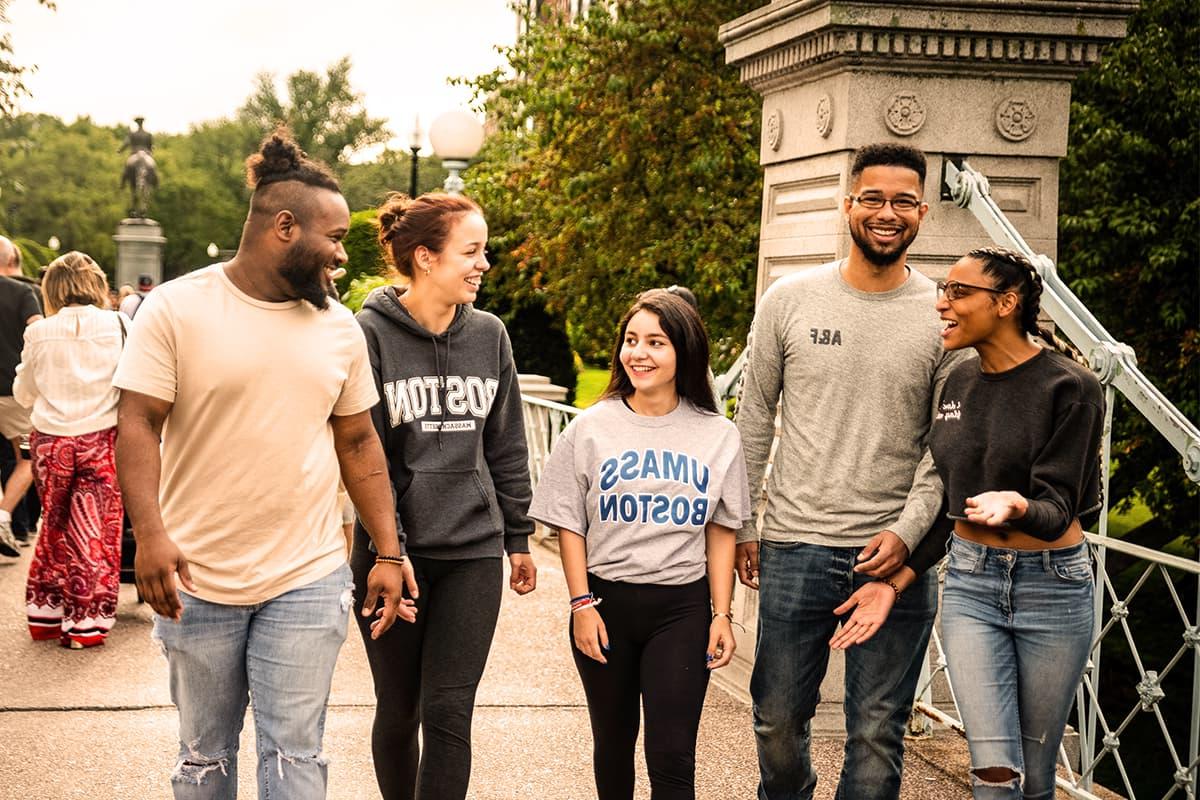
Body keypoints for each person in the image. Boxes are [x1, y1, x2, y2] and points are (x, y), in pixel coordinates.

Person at [114, 130, 415, 800]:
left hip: (306, 578)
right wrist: (151, 536)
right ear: (286, 226)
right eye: (334, 237)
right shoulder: (176, 308)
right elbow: (137, 421)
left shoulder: (340, 329)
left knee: (296, 759)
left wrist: (389, 552)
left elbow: (359, 443)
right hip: (195, 577)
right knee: (205, 759)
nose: (342, 253)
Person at [735, 142, 964, 800]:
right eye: (872, 198)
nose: (885, 212)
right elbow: (753, 416)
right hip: (794, 543)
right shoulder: (789, 300)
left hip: (890, 554)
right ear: (847, 206)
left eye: (901, 201)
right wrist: (745, 520)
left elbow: (941, 449)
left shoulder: (943, 317)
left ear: (921, 213)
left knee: (876, 732)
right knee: (776, 721)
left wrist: (906, 536)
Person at [858, 246, 1100, 800]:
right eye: (942, 290)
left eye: (958, 292)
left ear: (1007, 302)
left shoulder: (1072, 388)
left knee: (1036, 776)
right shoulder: (959, 384)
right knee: (994, 772)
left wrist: (1018, 506)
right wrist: (896, 582)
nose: (942, 302)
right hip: (972, 584)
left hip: (1054, 589)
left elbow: (1059, 508)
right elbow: (951, 504)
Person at [529, 289, 751, 799]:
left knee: (673, 755)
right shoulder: (589, 427)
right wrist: (581, 604)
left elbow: (721, 528)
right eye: (631, 340)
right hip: (605, 603)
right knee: (613, 747)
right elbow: (570, 524)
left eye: (656, 342)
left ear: (684, 352)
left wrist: (722, 614)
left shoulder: (718, 435)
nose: (639, 353)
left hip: (681, 607)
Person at [353, 191, 537, 800]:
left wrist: (517, 538)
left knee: (451, 713)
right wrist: (389, 548)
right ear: (426, 258)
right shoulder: (370, 334)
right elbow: (365, 453)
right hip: (388, 557)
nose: (484, 264)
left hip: (471, 555)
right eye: (472, 251)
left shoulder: (490, 335)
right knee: (400, 710)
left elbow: (507, 443)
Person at [13, 251, 128, 647]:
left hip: (51, 440)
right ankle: (85, 623)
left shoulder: (39, 332)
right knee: (94, 530)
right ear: (96, 284)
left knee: (55, 524)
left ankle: (46, 613)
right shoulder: (119, 324)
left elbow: (24, 392)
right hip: (101, 438)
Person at [0, 235, 43, 557]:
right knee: (27, 460)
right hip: (11, 391)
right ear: (11, 259)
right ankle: (4, 516)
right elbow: (39, 333)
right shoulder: (22, 292)